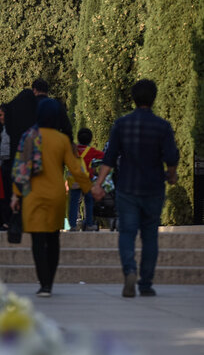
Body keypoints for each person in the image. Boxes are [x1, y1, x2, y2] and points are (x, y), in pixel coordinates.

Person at [92, 80, 179, 298]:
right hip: (153, 187)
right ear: (154, 98)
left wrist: (98, 184)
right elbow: (171, 157)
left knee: (127, 233)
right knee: (150, 236)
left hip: (128, 187)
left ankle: (130, 270)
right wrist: (172, 173)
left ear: (133, 98)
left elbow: (109, 158)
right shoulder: (162, 126)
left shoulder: (121, 125)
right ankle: (146, 284)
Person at [10, 99, 91, 297]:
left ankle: (43, 284)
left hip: (33, 196)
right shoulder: (62, 140)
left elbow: (20, 168)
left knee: (38, 241)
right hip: (56, 196)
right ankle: (50, 284)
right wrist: (90, 188)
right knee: (53, 239)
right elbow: (76, 169)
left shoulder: (28, 137)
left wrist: (16, 194)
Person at [68, 128, 104, 232]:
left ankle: (73, 226)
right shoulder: (91, 151)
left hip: (74, 180)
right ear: (90, 139)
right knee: (89, 201)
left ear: (78, 138)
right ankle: (89, 224)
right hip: (86, 180)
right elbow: (104, 156)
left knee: (74, 203)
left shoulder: (73, 150)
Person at [0, 105, 12, 230]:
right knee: (3, 194)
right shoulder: (0, 125)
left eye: (1, 115)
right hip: (3, 162)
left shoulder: (15, 125)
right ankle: (3, 220)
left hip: (12, 162)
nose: (0, 118)